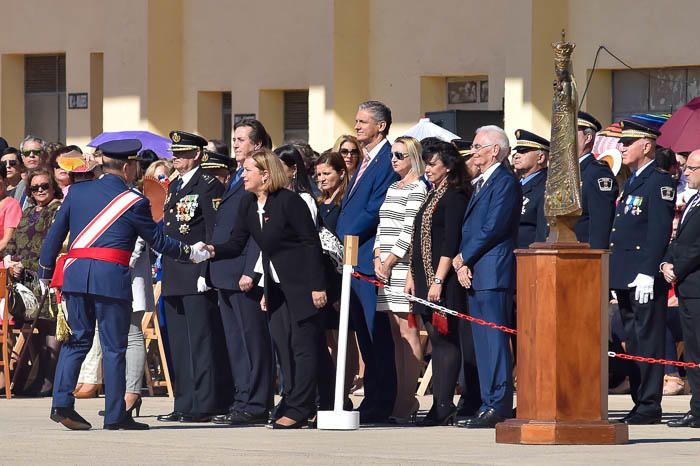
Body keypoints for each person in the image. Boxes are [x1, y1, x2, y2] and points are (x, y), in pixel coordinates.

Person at [38, 138, 209, 431]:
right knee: (114, 347)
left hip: (76, 275)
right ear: (128, 166)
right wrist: (190, 252)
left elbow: (54, 236)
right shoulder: (134, 200)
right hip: (110, 278)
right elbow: (158, 241)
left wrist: (44, 272)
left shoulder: (77, 192)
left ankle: (62, 403)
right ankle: (116, 414)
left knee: (77, 340)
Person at [210, 149, 327, 429]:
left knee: (303, 347)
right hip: (275, 287)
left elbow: (311, 244)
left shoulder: (289, 202)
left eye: (248, 170)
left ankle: (301, 407)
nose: (243, 175)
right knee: (283, 346)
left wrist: (317, 286)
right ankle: (292, 401)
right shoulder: (249, 205)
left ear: (265, 174)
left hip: (302, 284)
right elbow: (237, 243)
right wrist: (210, 250)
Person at [157, 130, 231, 424]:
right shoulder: (174, 185)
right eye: (174, 153)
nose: (176, 158)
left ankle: (204, 402)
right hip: (175, 271)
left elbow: (212, 231)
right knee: (179, 342)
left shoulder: (209, 185)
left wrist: (205, 271)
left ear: (197, 155)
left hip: (197, 272)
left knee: (201, 340)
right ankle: (184, 401)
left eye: (183, 153)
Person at [453, 125, 521, 428]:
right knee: (481, 341)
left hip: (493, 270)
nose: (474, 152)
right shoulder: (481, 182)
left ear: (495, 150)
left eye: (479, 146)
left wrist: (464, 257)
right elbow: (471, 228)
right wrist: (464, 262)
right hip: (476, 270)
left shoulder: (504, 182)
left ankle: (498, 403)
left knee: (494, 339)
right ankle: (487, 401)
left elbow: (493, 227)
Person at [404, 141, 476, 426]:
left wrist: (438, 280)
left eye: (433, 164)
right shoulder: (432, 194)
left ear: (448, 166)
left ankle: (443, 404)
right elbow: (417, 236)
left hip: (441, 280)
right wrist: (413, 275)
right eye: (427, 164)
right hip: (423, 275)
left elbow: (449, 242)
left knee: (445, 341)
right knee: (435, 339)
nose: (428, 169)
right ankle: (440, 403)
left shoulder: (455, 196)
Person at [335, 100, 399, 423]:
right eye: (356, 120)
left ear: (381, 126)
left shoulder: (388, 159)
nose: (357, 126)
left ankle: (381, 401)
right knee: (362, 333)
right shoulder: (364, 160)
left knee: (376, 336)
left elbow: (376, 207)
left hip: (368, 257)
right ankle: (372, 399)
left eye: (363, 122)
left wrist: (344, 231)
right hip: (353, 259)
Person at [609, 120, 675, 425]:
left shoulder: (658, 182)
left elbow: (658, 232)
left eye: (627, 142)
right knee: (633, 340)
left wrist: (649, 272)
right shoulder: (633, 180)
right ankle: (639, 401)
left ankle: (649, 404)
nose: (621, 147)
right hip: (626, 275)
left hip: (644, 277)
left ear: (646, 146)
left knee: (647, 340)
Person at [210, 119, 274, 426]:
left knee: (253, 342)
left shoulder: (261, 179)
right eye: (233, 138)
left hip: (244, 274)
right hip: (225, 270)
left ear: (258, 144)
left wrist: (253, 271)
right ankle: (243, 398)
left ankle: (258, 402)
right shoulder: (239, 176)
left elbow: (259, 233)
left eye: (241, 139)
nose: (234, 143)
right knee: (236, 342)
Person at [372, 136, 426, 423]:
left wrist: (391, 261)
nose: (394, 159)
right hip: (384, 267)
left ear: (413, 157)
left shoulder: (419, 188)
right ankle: (400, 397)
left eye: (400, 155)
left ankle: (408, 399)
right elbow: (383, 225)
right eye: (392, 154)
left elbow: (409, 230)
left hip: (403, 268)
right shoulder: (393, 187)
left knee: (408, 331)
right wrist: (377, 257)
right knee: (395, 334)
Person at [4, 168, 63, 396]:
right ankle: (38, 375)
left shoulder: (57, 209)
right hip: (25, 277)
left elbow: (55, 241)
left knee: (48, 323)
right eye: (35, 187)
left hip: (46, 275)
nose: (40, 190)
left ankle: (48, 379)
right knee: (35, 324)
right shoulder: (28, 212)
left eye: (44, 186)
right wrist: (12, 260)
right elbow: (14, 241)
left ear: (52, 187)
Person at [662, 148, 700, 428]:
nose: (685, 172)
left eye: (691, 168)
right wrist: (666, 262)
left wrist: (678, 270)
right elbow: (679, 240)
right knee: (694, 352)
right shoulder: (693, 200)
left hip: (695, 284)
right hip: (687, 285)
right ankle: (697, 409)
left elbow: (697, 248)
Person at [575, 111, 619, 248]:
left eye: (570, 132)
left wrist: (595, 260)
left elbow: (601, 224)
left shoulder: (597, 173)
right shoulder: (568, 171)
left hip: (583, 254)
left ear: (588, 138)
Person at [512, 129, 549, 248]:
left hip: (528, 255)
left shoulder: (546, 185)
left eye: (524, 152)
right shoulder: (515, 183)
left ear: (541, 157)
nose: (517, 155)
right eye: (517, 151)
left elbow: (543, 229)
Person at [275, 144, 318, 223]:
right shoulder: (271, 197)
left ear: (294, 169)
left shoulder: (304, 200)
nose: (273, 171)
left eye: (278, 167)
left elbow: (307, 232)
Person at [315, 151, 347, 236]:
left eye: (326, 174)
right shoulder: (319, 202)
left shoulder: (347, 199)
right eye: (319, 174)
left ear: (341, 173)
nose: (322, 179)